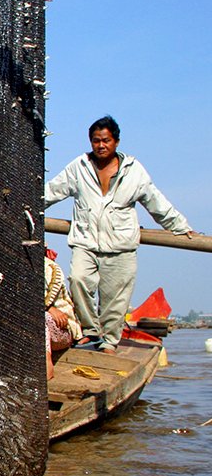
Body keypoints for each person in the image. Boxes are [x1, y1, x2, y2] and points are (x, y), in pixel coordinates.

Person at [45, 116, 195, 354]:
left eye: (106, 140)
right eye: (96, 141)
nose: (100, 146)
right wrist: (27, 206)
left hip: (120, 245)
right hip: (86, 241)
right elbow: (51, 191)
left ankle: (109, 343)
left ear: (116, 142)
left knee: (115, 300)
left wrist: (179, 226)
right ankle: (90, 331)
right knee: (78, 279)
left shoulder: (133, 171)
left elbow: (156, 202)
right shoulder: (79, 167)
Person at [44, 248, 81, 381]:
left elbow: (46, 299)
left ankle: (47, 366)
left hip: (62, 329)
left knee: (40, 319)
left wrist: (48, 308)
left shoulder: (50, 269)